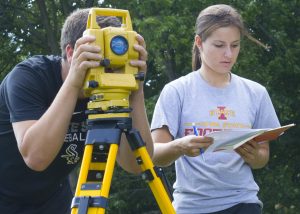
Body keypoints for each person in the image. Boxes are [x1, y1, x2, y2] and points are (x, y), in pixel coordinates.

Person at [0, 8, 152, 214]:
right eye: (102, 57)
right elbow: (36, 157)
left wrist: (136, 87)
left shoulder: (107, 90)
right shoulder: (29, 77)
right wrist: (74, 82)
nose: (109, 68)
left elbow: (136, 165)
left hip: (52, 198)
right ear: (72, 53)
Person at [151, 4, 280, 214]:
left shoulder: (256, 93)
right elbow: (155, 154)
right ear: (199, 43)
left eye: (235, 45)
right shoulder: (176, 91)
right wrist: (180, 147)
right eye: (219, 45)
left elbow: (262, 157)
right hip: (191, 207)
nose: (228, 54)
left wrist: (254, 156)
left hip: (244, 203)